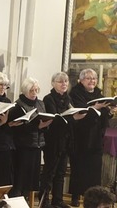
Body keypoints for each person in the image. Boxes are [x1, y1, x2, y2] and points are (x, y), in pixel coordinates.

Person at [39, 72, 85, 208]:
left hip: (66, 140)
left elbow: (70, 117)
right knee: (49, 172)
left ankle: (57, 200)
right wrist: (73, 118)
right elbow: (55, 119)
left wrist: (76, 117)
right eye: (60, 81)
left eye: (66, 81)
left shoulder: (68, 98)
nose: (64, 84)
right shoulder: (48, 98)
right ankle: (44, 200)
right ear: (53, 83)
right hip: (53, 140)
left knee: (61, 172)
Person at [68, 69, 113, 206]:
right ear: (81, 80)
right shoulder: (75, 94)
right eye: (88, 78)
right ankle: (76, 196)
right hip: (80, 137)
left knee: (94, 170)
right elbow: (82, 114)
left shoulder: (99, 94)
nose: (92, 81)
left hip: (95, 138)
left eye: (94, 78)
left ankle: (94, 199)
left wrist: (109, 112)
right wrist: (96, 109)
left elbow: (103, 114)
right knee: (79, 169)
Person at [7, 77, 52, 198]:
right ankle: (17, 200)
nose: (34, 93)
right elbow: (15, 127)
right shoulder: (17, 106)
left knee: (31, 180)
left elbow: (43, 119)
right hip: (22, 146)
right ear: (25, 91)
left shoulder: (41, 103)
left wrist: (45, 125)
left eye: (36, 90)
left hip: (37, 145)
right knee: (20, 178)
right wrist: (36, 126)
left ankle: (26, 200)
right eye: (31, 90)